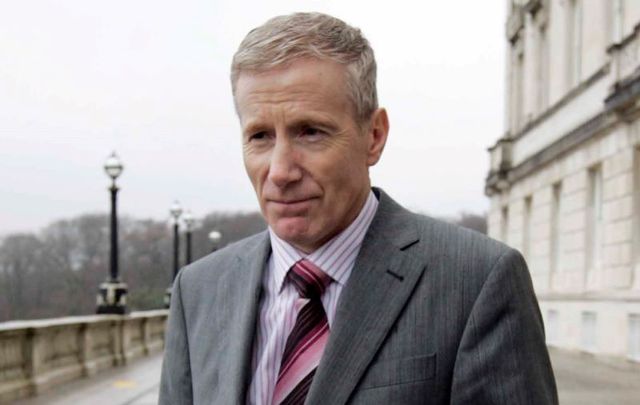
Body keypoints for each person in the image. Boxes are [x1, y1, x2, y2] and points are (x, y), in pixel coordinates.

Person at [159, 12, 558, 405]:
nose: (280, 171)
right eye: (260, 136)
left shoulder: (477, 281)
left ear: (374, 136)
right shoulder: (198, 291)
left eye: (310, 132)